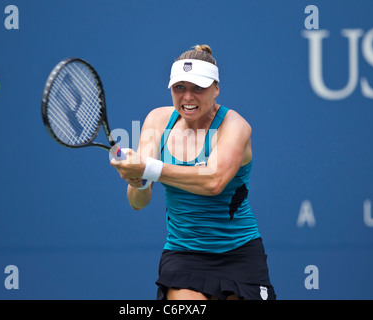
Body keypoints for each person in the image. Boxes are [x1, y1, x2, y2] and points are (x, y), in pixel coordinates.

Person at [110, 45, 275, 300]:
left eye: (198, 88)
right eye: (180, 88)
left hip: (240, 253)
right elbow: (137, 202)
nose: (188, 97)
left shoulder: (235, 126)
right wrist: (139, 181)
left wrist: (149, 168)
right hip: (184, 255)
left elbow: (214, 181)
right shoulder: (157, 120)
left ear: (216, 88)